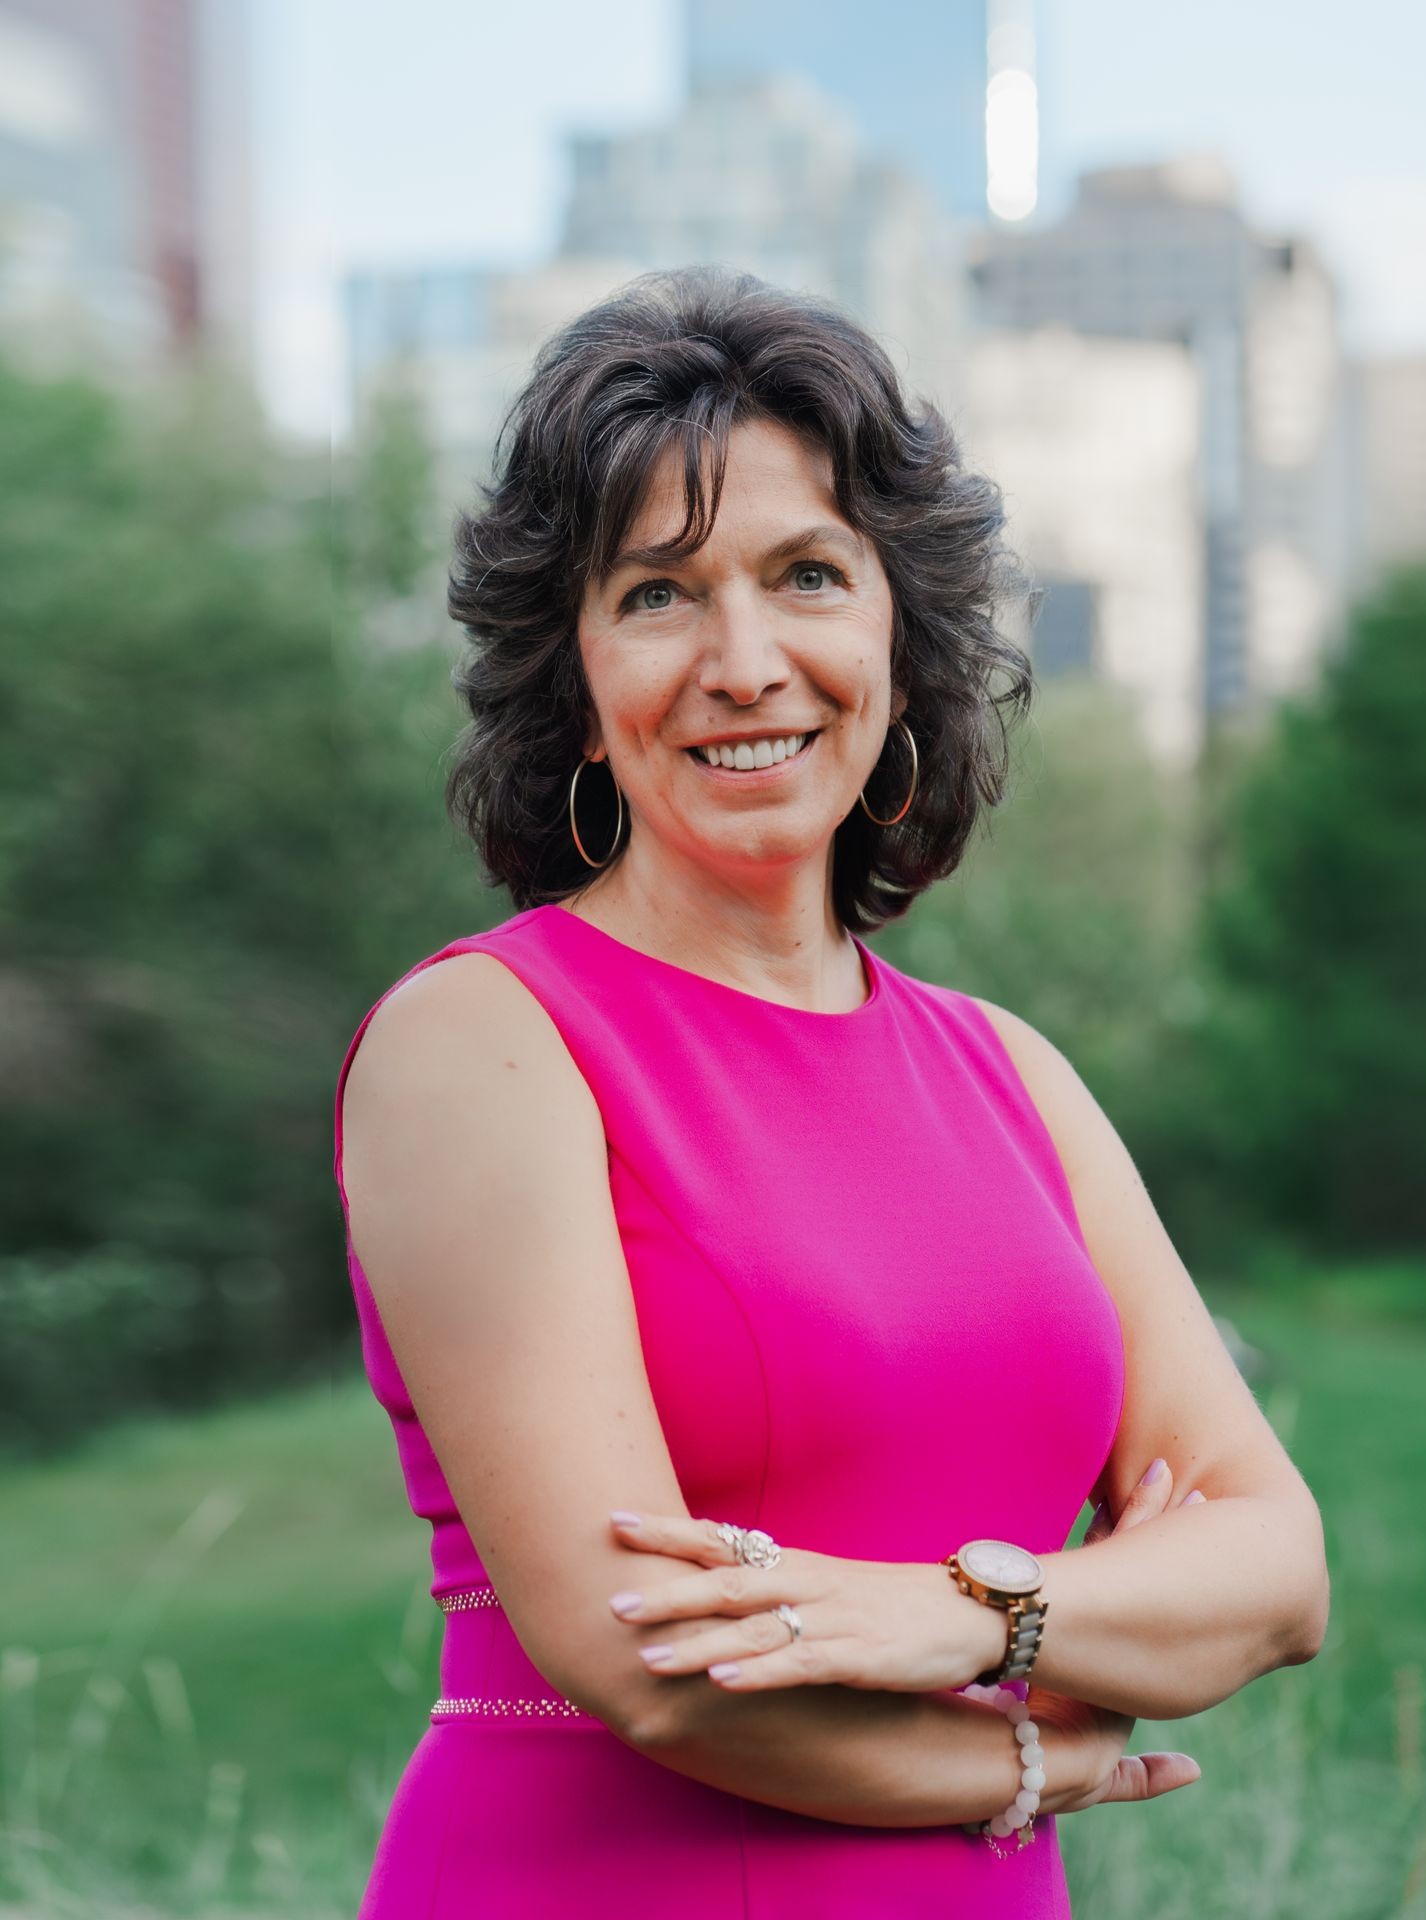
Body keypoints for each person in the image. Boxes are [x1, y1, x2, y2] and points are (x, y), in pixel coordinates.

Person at [332, 266, 1329, 1918]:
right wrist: (1048, 1747)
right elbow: (650, 1665)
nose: (745, 662)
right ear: (570, 675)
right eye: (657, 594)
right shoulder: (485, 1041)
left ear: (893, 630)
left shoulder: (1009, 1072)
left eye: (805, 575)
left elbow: (1275, 1570)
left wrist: (963, 1620)